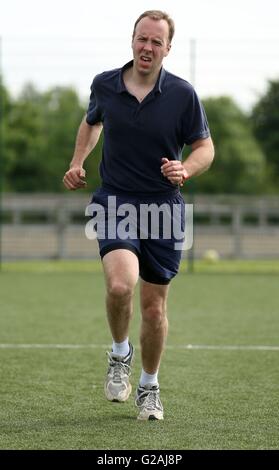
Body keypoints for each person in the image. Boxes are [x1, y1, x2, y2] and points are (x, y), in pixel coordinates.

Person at [63, 10, 214, 421]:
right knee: (118, 285)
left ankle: (149, 387)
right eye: (141, 39)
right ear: (133, 40)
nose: (147, 47)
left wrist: (187, 169)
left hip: (164, 207)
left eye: (156, 42)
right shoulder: (105, 84)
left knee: (153, 309)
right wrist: (78, 161)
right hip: (114, 201)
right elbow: (92, 121)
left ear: (168, 48)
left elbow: (205, 148)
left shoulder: (183, 95)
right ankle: (119, 354)